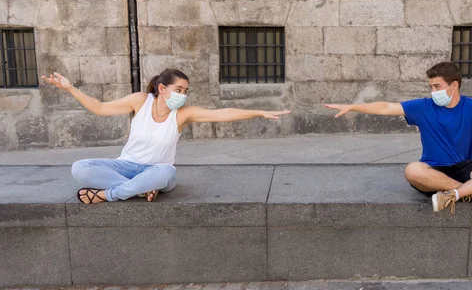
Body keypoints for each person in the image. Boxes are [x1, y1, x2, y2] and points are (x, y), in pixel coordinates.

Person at [325, 62, 472, 214]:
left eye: (437, 86)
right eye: (431, 86)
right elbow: (385, 107)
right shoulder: (423, 106)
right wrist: (354, 106)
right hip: (433, 171)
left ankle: (455, 194)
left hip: (466, 167)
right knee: (412, 170)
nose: (433, 91)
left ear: (454, 85)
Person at [42, 69, 290, 204]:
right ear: (162, 88)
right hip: (126, 166)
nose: (183, 95)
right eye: (178, 90)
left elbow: (223, 113)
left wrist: (258, 112)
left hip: (157, 170)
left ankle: (109, 194)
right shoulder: (140, 101)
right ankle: (140, 191)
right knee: (80, 168)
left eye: (186, 91)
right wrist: (70, 88)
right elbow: (99, 107)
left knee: (165, 174)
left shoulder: (182, 114)